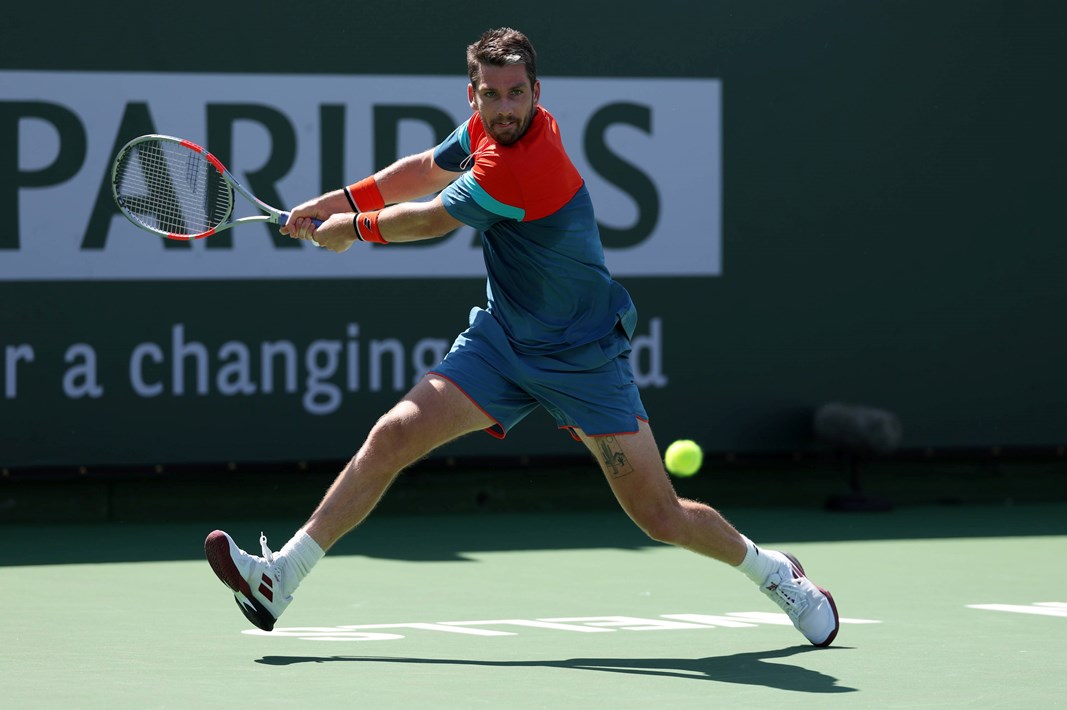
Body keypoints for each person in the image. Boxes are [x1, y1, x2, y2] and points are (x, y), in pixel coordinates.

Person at [204, 27, 839, 647]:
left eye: (516, 93)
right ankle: (280, 578)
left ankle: (774, 573)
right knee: (394, 432)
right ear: (472, 96)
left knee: (660, 517)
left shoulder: (522, 167)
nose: (504, 107)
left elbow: (427, 217)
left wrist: (351, 227)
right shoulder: (484, 129)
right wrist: (332, 202)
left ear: (537, 91)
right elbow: (423, 169)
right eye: (491, 94)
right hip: (503, 341)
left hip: (584, 356)